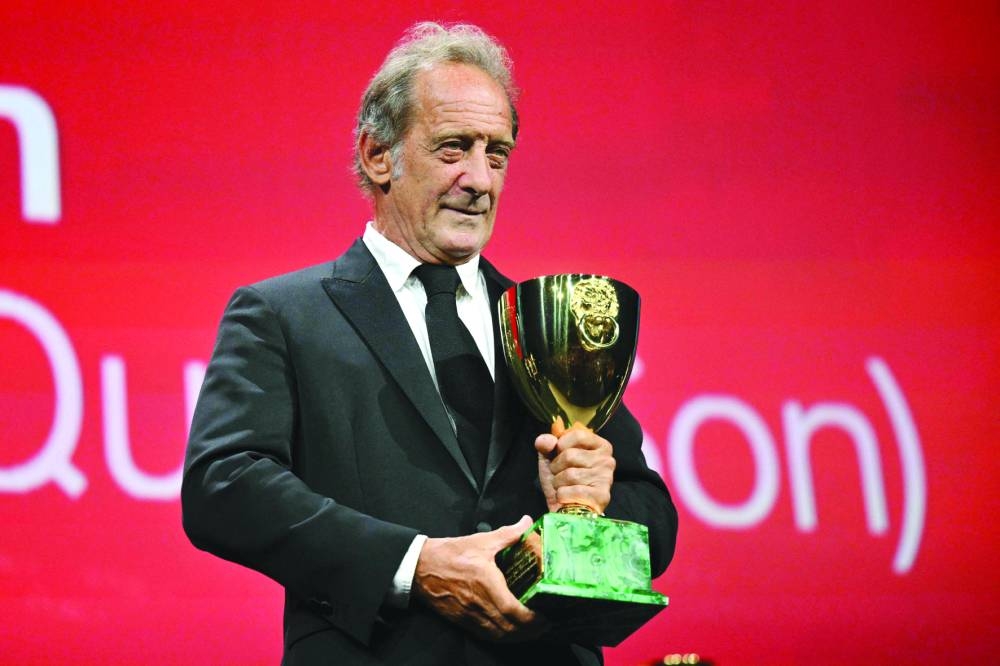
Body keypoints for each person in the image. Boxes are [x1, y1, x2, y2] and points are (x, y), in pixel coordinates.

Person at [181, 21, 678, 666]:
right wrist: (414, 564)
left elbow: (654, 524)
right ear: (377, 156)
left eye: (497, 154)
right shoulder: (283, 314)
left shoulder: (544, 324)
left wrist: (598, 498)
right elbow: (224, 485)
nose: (481, 179)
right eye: (453, 148)